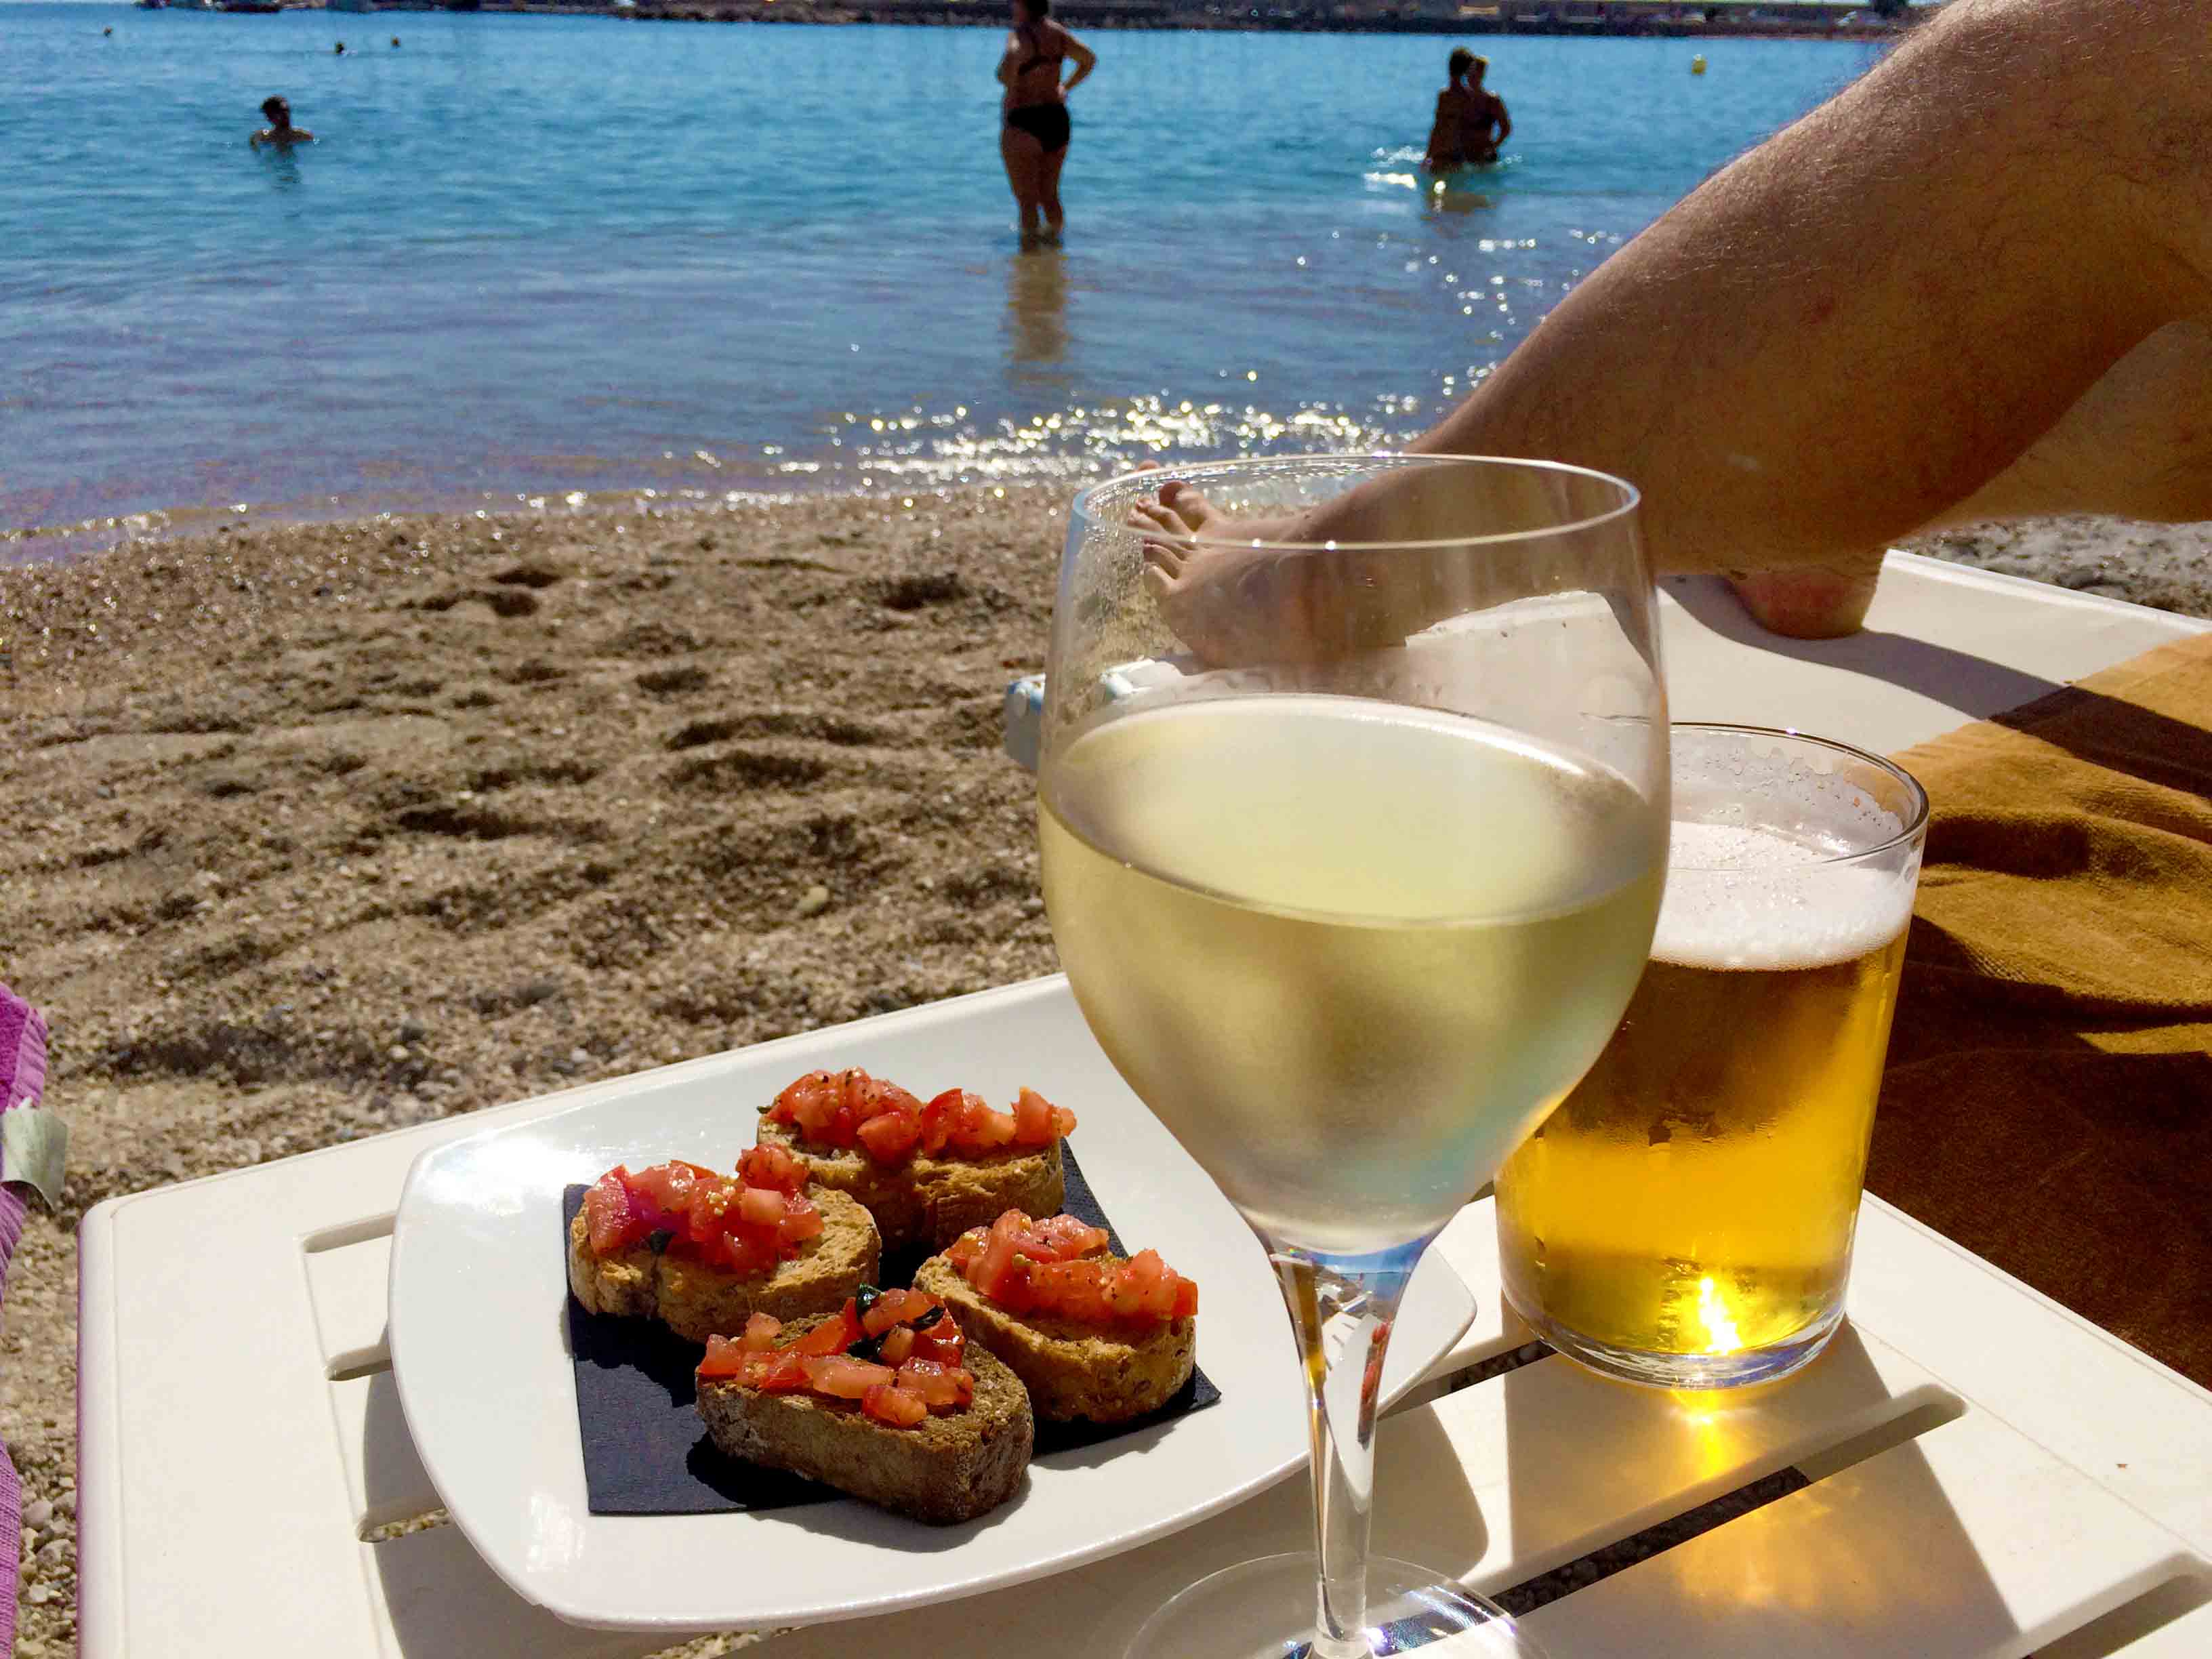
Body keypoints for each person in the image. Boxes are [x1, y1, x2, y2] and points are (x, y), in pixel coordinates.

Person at [1135, 0, 2212, 664]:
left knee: (2119, 54)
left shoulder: (1470, 100)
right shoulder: (1464, 101)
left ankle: (1332, 579)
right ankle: (1804, 511)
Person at [998, 0, 1095, 247]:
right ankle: (1054, 251)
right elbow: (1088, 59)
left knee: (1027, 201)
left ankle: (1030, 257)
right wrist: (1065, 87)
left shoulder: (1019, 35)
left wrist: (1010, 75)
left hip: (1024, 119)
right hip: (1056, 119)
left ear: (1024, 5)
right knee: (1050, 195)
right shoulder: (1058, 33)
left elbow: (1006, 70)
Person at [1424, 49, 1510, 174]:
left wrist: (1493, 147)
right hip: (1463, 155)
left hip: (1482, 156)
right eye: (1472, 72)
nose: (1474, 76)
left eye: (1478, 73)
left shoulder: (1492, 100)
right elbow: (1441, 127)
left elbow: (1506, 128)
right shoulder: (1454, 96)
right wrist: (1431, 155)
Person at [250, 96, 314, 148]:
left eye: (287, 111)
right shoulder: (260, 137)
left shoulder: (304, 136)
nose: (286, 115)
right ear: (270, 117)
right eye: (282, 112)